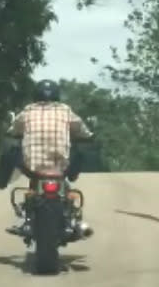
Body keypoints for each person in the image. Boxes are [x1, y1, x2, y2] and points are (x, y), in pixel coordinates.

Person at [5, 79, 94, 240]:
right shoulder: (66, 111)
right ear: (57, 95)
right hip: (60, 167)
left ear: (36, 95)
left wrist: (16, 134)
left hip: (33, 166)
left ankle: (27, 218)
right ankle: (72, 217)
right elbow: (83, 131)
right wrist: (86, 137)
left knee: (16, 156)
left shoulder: (27, 111)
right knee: (79, 155)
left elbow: (13, 130)